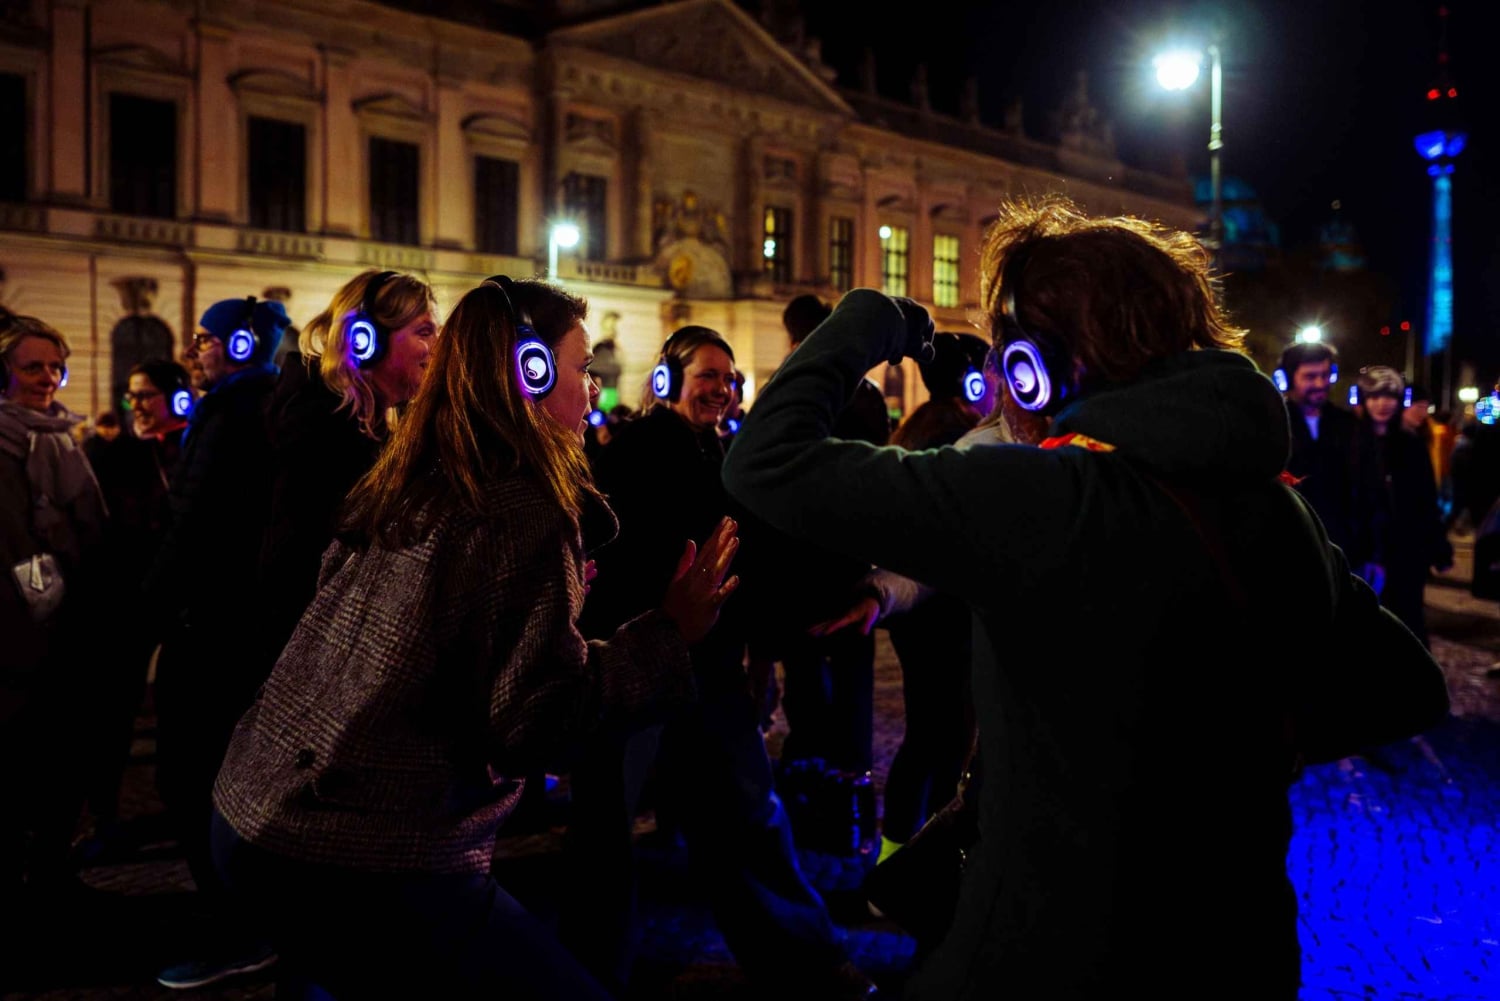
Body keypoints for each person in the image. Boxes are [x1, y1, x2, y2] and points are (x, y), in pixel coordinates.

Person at [722, 195, 1447, 999]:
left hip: (1048, 949)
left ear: (1038, 363)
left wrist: (873, 321)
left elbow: (767, 463)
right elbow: (1406, 687)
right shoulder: (1279, 508)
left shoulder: (1042, 497)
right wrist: (1222, 750)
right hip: (1240, 948)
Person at [211, 276, 736, 999]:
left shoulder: (416, 471)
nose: (591, 393)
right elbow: (536, 722)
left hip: (254, 812)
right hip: (367, 843)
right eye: (582, 369)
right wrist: (672, 633)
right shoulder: (521, 506)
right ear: (529, 371)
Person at [564, 325, 876, 999]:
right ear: (671, 380)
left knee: (747, 815)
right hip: (638, 658)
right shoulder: (639, 451)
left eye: (729, 378)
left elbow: (759, 554)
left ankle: (806, 962)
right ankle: (588, 972)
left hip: (707, 666)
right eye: (708, 374)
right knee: (607, 835)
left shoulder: (727, 454)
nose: (721, 388)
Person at [142, 295, 289, 989]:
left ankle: (239, 927)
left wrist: (150, 611)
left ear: (238, 345)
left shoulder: (232, 412)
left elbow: (192, 526)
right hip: (240, 626)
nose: (194, 350)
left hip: (213, 629)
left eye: (205, 339)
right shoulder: (264, 405)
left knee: (191, 777)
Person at [257, 269, 436, 674]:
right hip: (305, 655)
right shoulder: (319, 428)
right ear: (365, 340)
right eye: (424, 331)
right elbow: (302, 562)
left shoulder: (372, 427)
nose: (437, 346)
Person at [0, 314, 108, 903]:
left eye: (54, 367)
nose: (47, 378)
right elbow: (16, 546)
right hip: (24, 639)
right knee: (20, 772)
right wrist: (55, 611)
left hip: (67, 629)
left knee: (62, 768)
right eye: (32, 367)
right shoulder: (6, 442)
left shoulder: (60, 436)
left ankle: (50, 875)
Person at [1353, 366, 1452, 647]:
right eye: (1374, 397)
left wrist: (1437, 544)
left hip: (1407, 549)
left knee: (1408, 619)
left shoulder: (1410, 444)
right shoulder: (1352, 441)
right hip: (1365, 548)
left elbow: (1426, 499)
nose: (1382, 404)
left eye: (1389, 396)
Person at [1277, 341, 1382, 585]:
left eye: (1325, 375)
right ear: (1290, 377)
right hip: (1293, 547)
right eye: (1310, 376)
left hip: (1346, 550)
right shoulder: (1274, 424)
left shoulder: (1348, 425)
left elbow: (1369, 490)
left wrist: (1373, 552)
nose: (1320, 384)